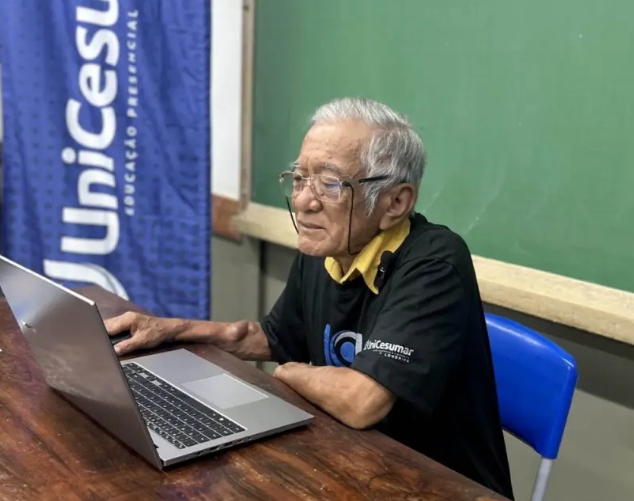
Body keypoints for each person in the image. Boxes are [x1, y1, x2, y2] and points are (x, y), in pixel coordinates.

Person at [105, 97, 514, 499]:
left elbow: (361, 400)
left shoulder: (434, 262)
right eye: (300, 178)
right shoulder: (332, 248)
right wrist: (172, 329)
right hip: (353, 463)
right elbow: (270, 336)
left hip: (437, 484)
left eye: (331, 183)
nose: (303, 201)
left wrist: (288, 373)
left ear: (395, 203)